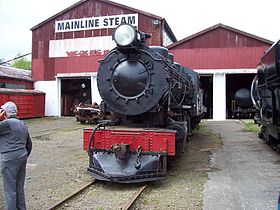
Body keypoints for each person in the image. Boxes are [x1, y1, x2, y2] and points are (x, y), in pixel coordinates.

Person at [0, 101, 32, 210]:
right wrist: (24, 156)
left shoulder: (6, 124)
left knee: (10, 191)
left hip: (9, 159)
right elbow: (29, 144)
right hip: (22, 157)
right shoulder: (22, 123)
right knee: (19, 188)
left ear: (5, 112)